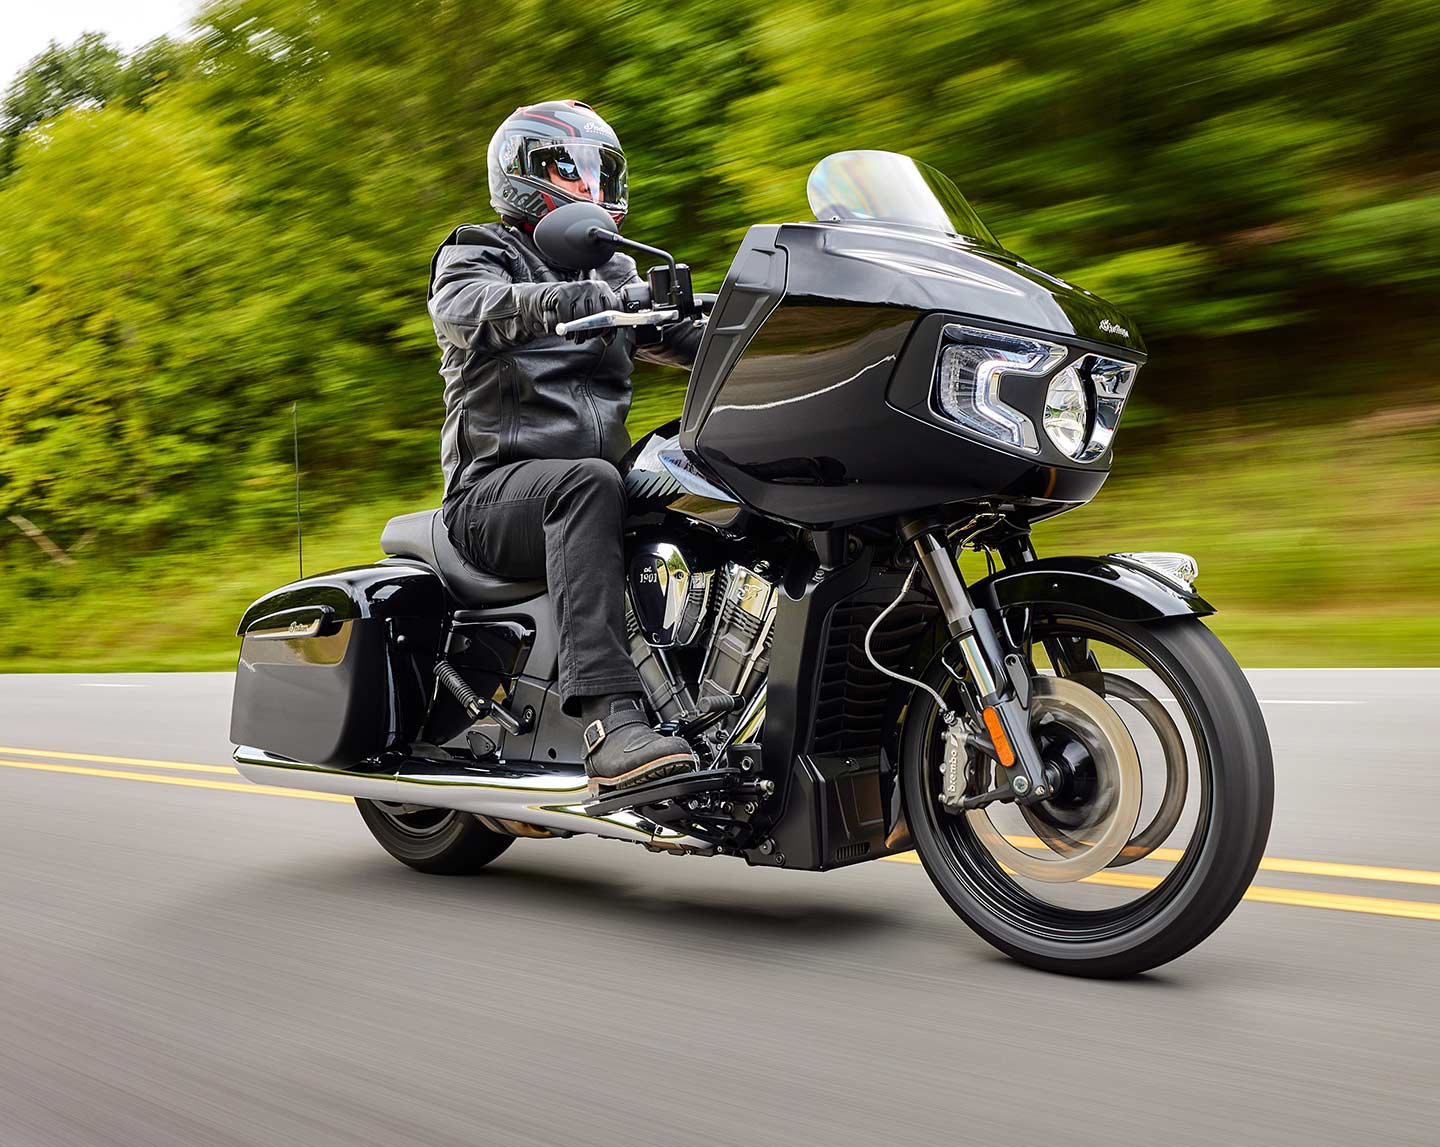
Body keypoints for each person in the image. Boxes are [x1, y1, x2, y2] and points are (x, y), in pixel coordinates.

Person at [427, 100, 702, 797]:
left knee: (693, 460)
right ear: (525, 174)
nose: (591, 187)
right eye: (571, 169)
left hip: (585, 480)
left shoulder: (606, 273)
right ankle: (611, 725)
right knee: (589, 483)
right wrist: (561, 300)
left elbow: (685, 335)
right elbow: (470, 309)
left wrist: (765, 327)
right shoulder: (475, 252)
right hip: (493, 494)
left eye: (599, 171)